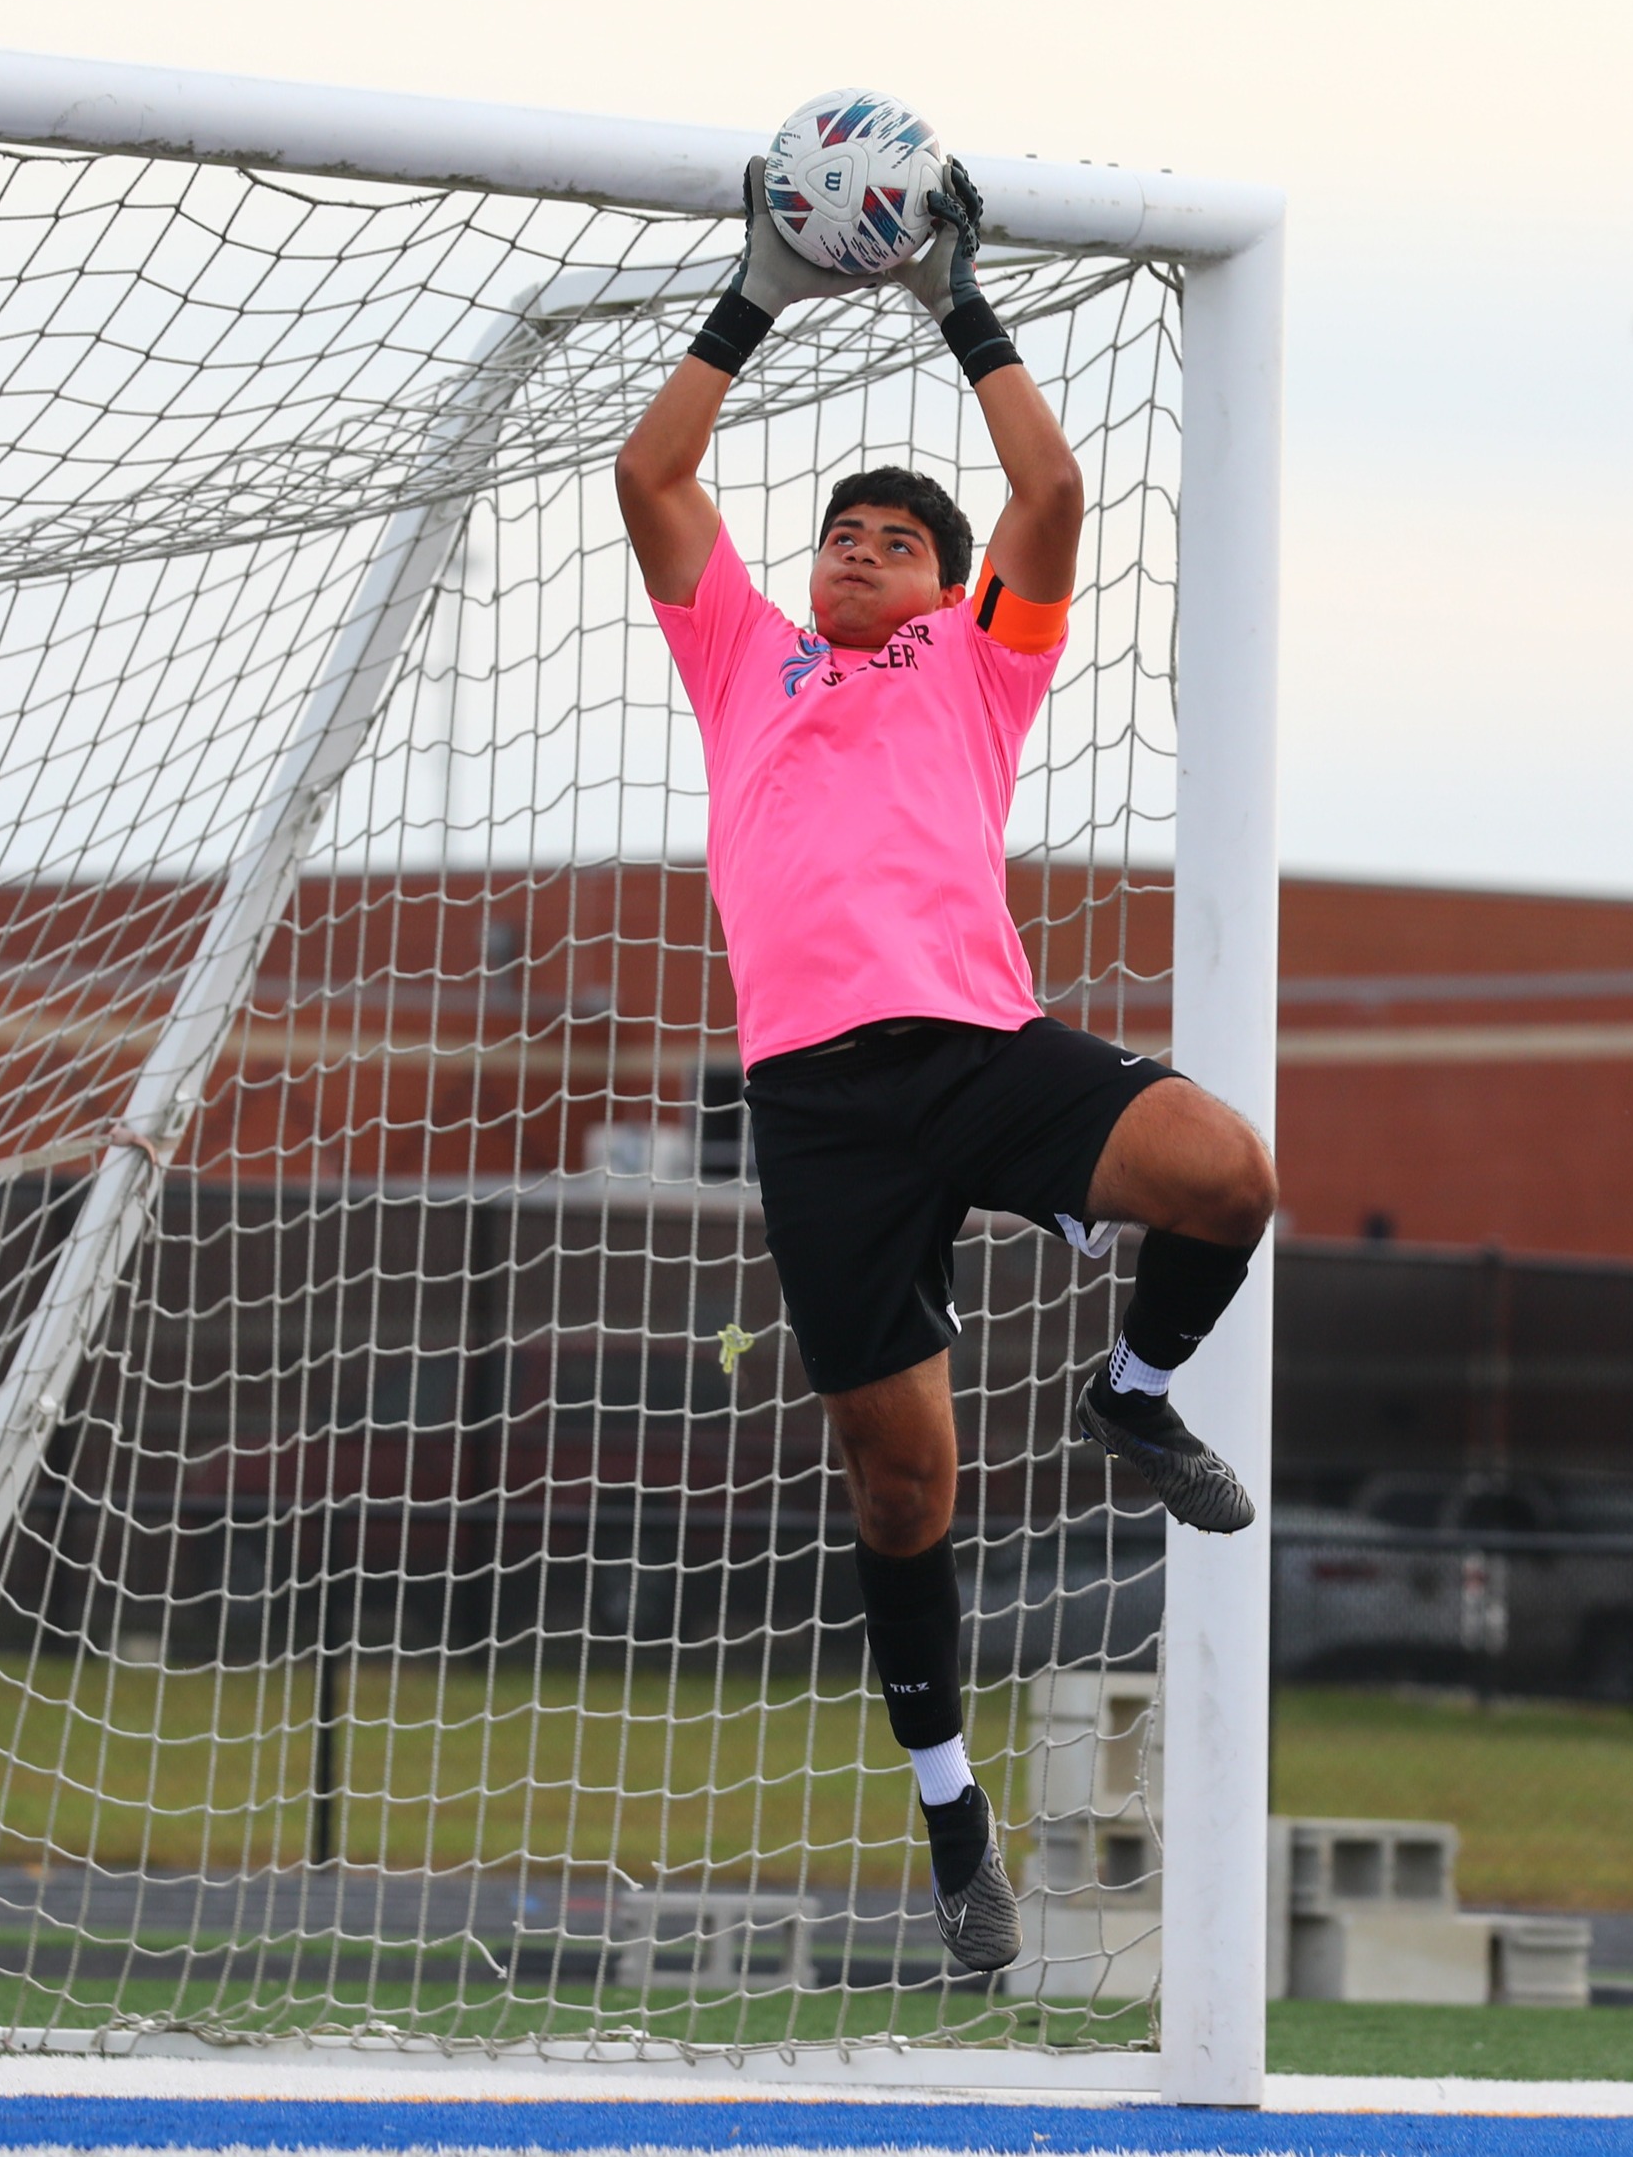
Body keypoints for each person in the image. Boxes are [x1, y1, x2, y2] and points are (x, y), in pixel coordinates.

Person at [613, 158, 1277, 1974]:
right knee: (905, 1488)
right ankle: (951, 1821)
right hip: (818, 1107)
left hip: (980, 1048)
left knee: (1226, 1173)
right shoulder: (742, 657)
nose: (858, 549)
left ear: (936, 585)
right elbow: (649, 479)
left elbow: (1049, 491)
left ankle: (1133, 1394)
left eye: (896, 538)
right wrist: (757, 290)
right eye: (839, 530)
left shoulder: (972, 668)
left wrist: (952, 299)